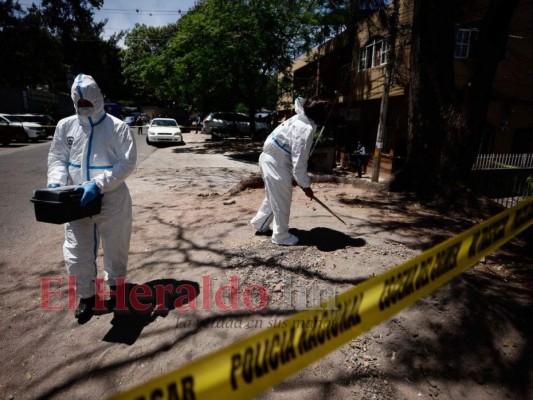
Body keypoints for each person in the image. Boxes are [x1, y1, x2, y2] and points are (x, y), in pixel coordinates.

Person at [47, 74, 137, 320]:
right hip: (77, 201)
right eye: (80, 104)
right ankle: (87, 297)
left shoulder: (117, 127)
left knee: (115, 248)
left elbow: (126, 163)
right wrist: (56, 181)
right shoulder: (65, 126)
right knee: (76, 251)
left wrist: (99, 184)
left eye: (89, 103)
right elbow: (58, 157)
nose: (84, 108)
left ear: (98, 99)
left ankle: (117, 292)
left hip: (112, 199)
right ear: (74, 101)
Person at [250, 96, 330, 246]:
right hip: (275, 162)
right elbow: (299, 164)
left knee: (275, 196)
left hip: (271, 159)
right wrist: (306, 186)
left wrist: (302, 182)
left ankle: (260, 223)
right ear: (319, 114)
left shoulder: (301, 117)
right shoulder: (304, 129)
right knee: (282, 200)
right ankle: (280, 236)